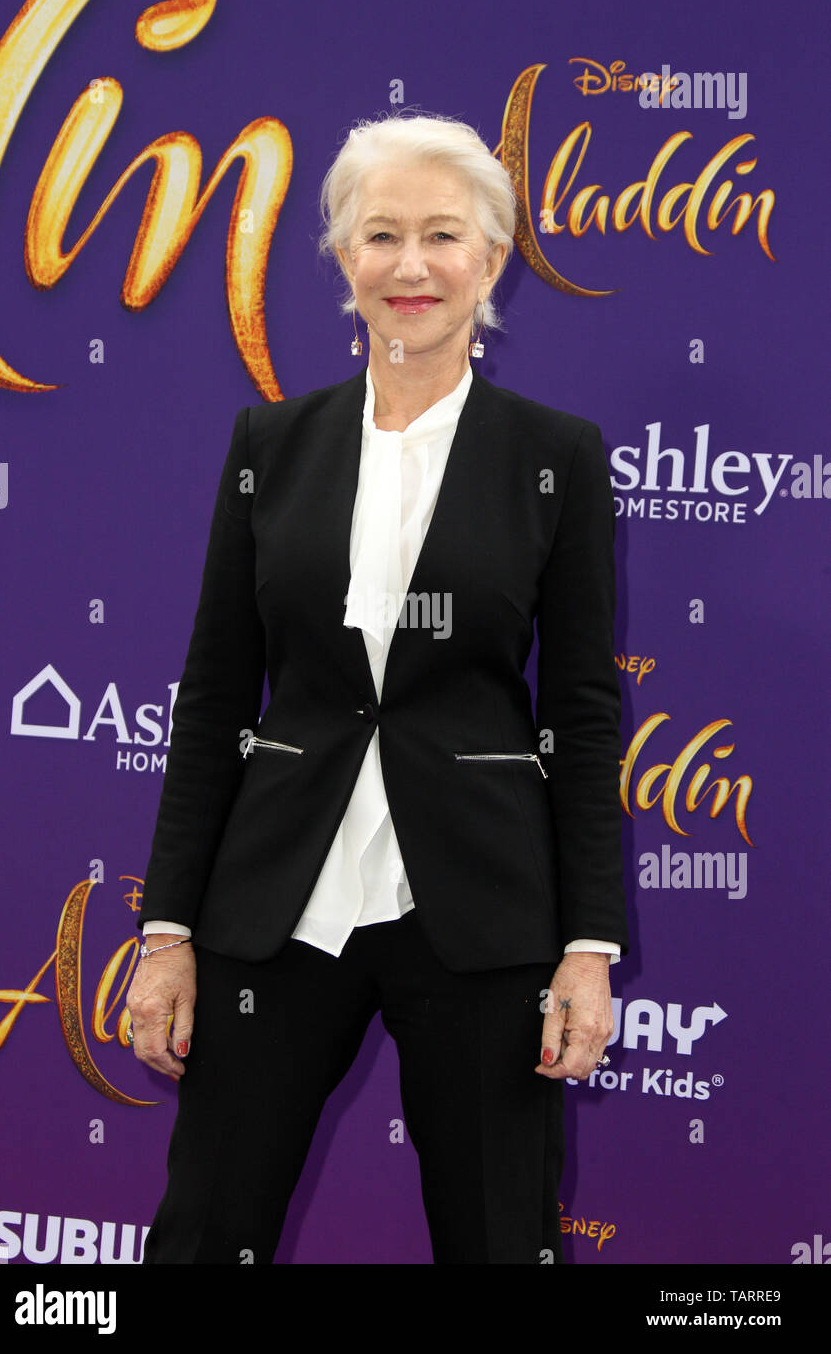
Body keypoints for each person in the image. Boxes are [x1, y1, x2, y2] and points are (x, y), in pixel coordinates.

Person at [126, 111, 629, 1265]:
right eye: (381, 234)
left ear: (491, 259)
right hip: (276, 902)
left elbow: (582, 711)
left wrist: (587, 946)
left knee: (500, 1238)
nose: (411, 266)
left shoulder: (555, 454)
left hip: (480, 907)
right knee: (204, 1230)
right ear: (343, 259)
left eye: (442, 235)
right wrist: (166, 930)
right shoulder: (270, 442)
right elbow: (212, 696)